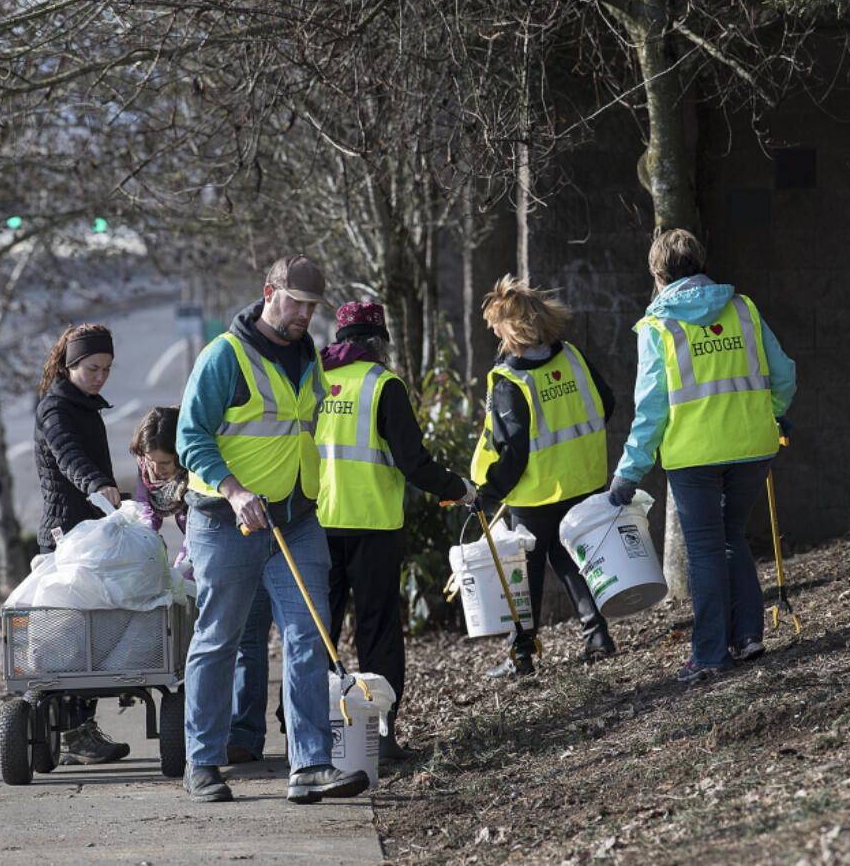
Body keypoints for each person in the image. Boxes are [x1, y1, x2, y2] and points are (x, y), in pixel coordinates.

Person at [177, 254, 370, 804]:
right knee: (219, 640)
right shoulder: (224, 356)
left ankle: (310, 765)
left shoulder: (309, 355)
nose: (304, 314)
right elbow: (191, 436)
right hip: (224, 522)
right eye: (295, 302)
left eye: (312, 306)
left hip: (296, 519)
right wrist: (235, 492)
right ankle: (204, 763)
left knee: (310, 636)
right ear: (269, 292)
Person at [608, 229, 796, 682]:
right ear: (702, 262)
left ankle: (711, 654)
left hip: (695, 458)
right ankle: (749, 636)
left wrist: (629, 471)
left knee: (707, 550)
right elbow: (785, 374)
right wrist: (772, 414)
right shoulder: (743, 309)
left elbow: (651, 410)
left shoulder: (658, 328)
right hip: (753, 448)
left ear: (658, 275)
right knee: (732, 538)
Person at [316, 300, 475, 761]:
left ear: (341, 339)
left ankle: (308, 736)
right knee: (378, 630)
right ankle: (380, 736)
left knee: (317, 630)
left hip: (319, 524)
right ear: (380, 341)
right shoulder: (384, 385)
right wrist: (458, 489)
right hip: (373, 525)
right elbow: (413, 463)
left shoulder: (314, 379)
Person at [472, 275, 617, 678]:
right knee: (569, 556)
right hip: (583, 480)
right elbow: (606, 403)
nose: (495, 335)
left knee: (525, 574)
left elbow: (513, 450)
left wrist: (490, 492)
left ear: (512, 328)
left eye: (497, 327)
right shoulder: (571, 356)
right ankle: (597, 634)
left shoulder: (509, 380)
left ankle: (521, 655)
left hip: (535, 493)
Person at [33, 322, 129, 764]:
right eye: (92, 368)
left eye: (107, 369)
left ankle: (81, 726)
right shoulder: (54, 409)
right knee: (69, 638)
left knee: (96, 634)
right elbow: (69, 456)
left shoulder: (87, 405)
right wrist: (98, 484)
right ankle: (72, 733)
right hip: (64, 536)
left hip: (91, 533)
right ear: (71, 365)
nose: (100, 377)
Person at [129, 405, 189, 567]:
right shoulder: (144, 465)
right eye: (151, 461)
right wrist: (148, 536)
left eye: (165, 462)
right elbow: (145, 506)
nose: (157, 470)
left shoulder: (195, 469)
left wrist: (184, 566)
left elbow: (197, 531)